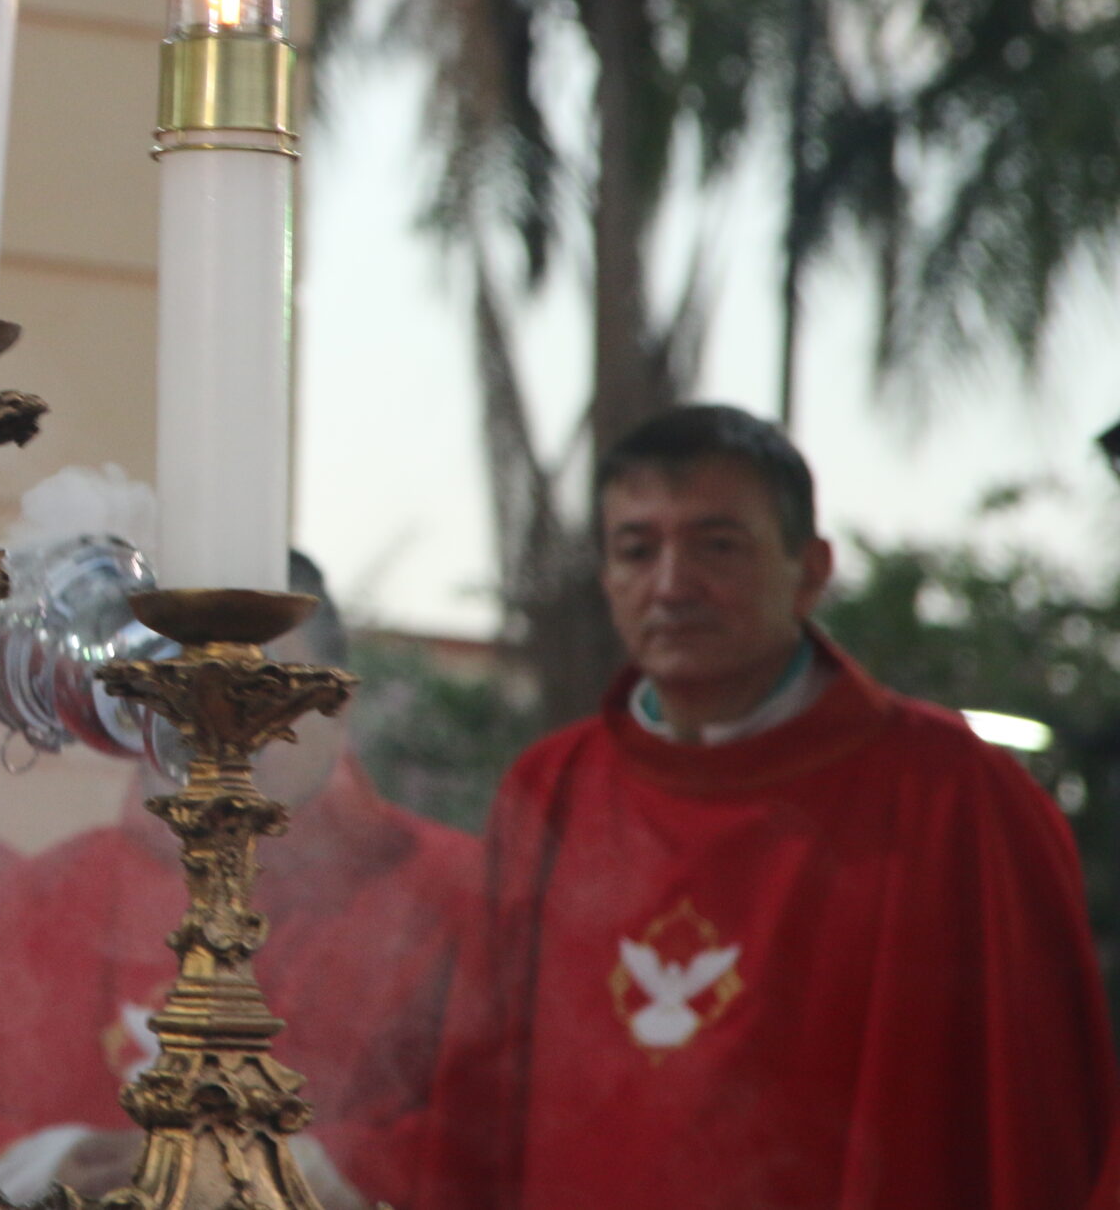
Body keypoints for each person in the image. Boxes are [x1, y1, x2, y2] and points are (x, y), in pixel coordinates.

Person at [420, 403, 1118, 1210]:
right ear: (607, 577)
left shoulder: (954, 794)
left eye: (718, 544)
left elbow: (1038, 1124)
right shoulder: (551, 790)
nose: (672, 584)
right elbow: (473, 1102)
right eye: (637, 549)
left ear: (811, 569)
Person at [0, 554, 482, 1210]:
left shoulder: (458, 893)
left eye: (261, 680)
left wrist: (295, 1166)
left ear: (337, 700)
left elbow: (500, 1134)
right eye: (183, 676)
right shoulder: (40, 896)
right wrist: (53, 1158)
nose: (218, 708)